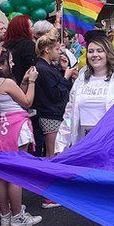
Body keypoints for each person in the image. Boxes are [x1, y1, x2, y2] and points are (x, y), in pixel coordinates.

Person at [54, 34, 114, 226]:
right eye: (91, 51)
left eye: (99, 50)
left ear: (108, 53)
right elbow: (70, 113)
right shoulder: (81, 80)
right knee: (99, 190)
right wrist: (61, 144)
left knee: (113, 189)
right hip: (88, 145)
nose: (95, 55)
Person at [0, 47, 42, 226]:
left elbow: (12, 98)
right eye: (10, 61)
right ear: (0, 64)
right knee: (15, 174)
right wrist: (31, 82)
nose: (12, 63)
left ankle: (5, 216)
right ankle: (17, 217)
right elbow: (27, 101)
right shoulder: (6, 81)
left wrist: (22, 82)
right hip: (15, 127)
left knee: (0, 176)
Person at [32, 35, 73, 163]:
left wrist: (63, 70)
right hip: (50, 115)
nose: (59, 52)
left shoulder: (48, 67)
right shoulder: (42, 68)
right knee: (53, 153)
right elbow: (55, 94)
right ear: (47, 50)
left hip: (54, 113)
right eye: (56, 49)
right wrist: (66, 77)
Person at [2, 15, 36, 84]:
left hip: (10, 83)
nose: (33, 30)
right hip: (25, 84)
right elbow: (32, 66)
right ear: (24, 29)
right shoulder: (28, 44)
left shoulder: (4, 45)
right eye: (31, 27)